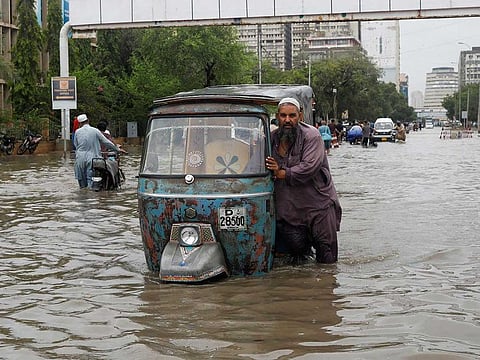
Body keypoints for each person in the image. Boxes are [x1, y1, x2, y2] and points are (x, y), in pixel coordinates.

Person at [265, 97, 342, 264]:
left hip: (317, 207)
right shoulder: (270, 139)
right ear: (277, 117)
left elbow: (309, 167)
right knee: (297, 261)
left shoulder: (311, 136)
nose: (287, 120)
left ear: (300, 116)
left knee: (327, 259)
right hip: (289, 211)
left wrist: (281, 173)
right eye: (283, 116)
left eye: (292, 116)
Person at [73, 114, 123, 189]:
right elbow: (106, 142)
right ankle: (92, 198)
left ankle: (83, 197)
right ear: (88, 121)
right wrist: (117, 149)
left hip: (80, 158)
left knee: (82, 183)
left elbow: (76, 145)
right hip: (93, 159)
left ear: (80, 123)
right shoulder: (95, 131)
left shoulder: (77, 132)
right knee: (91, 182)